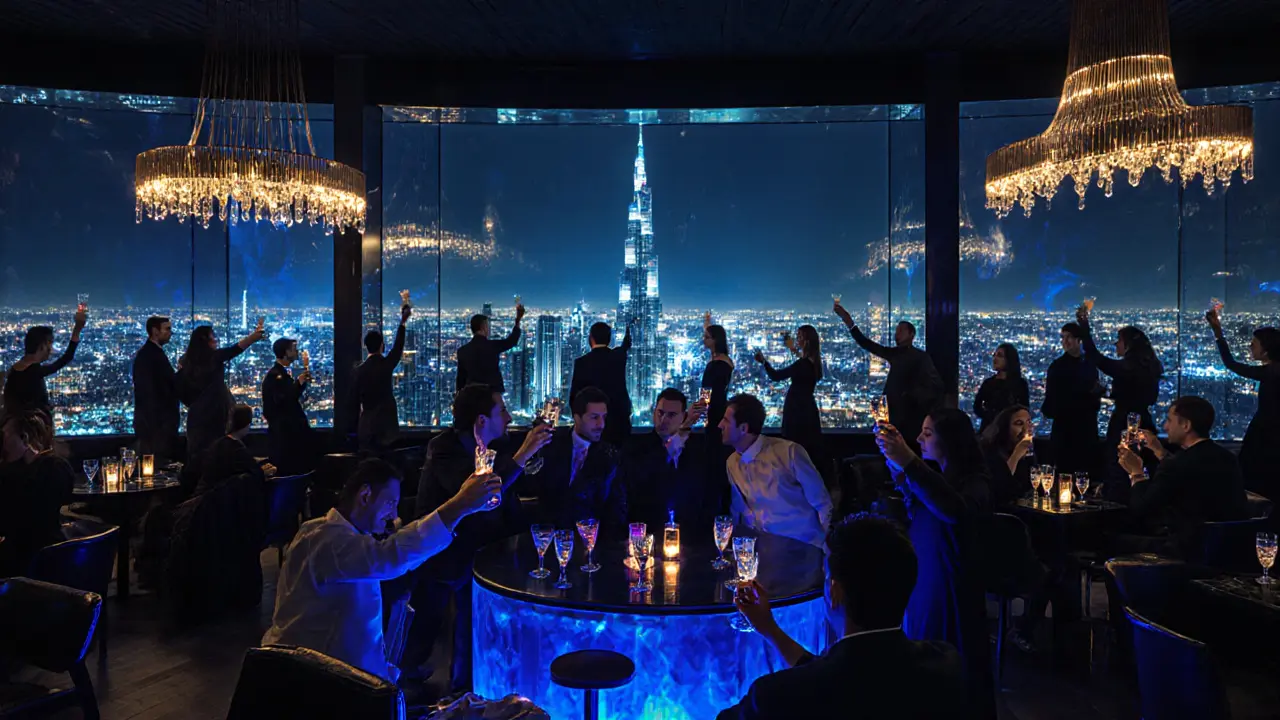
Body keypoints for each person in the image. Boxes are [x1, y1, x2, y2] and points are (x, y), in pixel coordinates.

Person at [262, 458, 502, 682]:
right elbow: (390, 557)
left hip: (322, 672)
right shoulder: (329, 541)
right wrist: (460, 505)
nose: (394, 514)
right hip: (318, 682)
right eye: (390, 503)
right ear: (365, 495)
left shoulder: (322, 531)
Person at [720, 514, 966, 720]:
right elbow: (841, 676)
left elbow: (821, 681)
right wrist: (769, 628)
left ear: (834, 591)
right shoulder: (945, 664)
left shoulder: (773, 696)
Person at [407, 384, 553, 693]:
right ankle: (411, 690)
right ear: (481, 421)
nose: (510, 417)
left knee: (479, 620)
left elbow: (508, 502)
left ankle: (469, 687)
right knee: (429, 628)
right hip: (445, 552)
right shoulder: (444, 448)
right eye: (502, 411)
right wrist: (524, 452)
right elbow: (477, 492)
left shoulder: (495, 450)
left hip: (483, 550)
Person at [876, 408, 995, 719]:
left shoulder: (975, 483)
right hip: (926, 584)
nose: (919, 439)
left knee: (949, 667)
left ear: (951, 441)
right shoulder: (941, 478)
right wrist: (897, 461)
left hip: (950, 592)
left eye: (927, 434)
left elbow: (953, 511)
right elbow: (918, 502)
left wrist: (909, 462)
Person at [1118, 396, 1250, 555]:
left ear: (1186, 425)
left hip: (1184, 551)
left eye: (1169, 420)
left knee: (1108, 539)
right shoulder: (1227, 458)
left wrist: (1136, 473)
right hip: (1227, 548)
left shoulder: (1176, 464)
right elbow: (1187, 472)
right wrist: (1160, 452)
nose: (1165, 426)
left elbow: (1141, 509)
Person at [720, 393, 833, 548]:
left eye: (726, 421)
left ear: (743, 428)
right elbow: (741, 511)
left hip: (804, 545)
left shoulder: (788, 452)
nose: (720, 425)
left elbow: (822, 502)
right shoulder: (732, 462)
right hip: (764, 548)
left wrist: (824, 549)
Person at [1076, 304, 1162, 503]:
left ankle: (1119, 509)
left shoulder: (1128, 367)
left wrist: (1084, 326)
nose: (1116, 345)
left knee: (1119, 466)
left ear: (1128, 345)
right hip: (1145, 422)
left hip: (1124, 422)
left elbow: (1097, 358)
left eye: (1119, 341)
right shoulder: (1150, 367)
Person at [833, 303, 943, 450]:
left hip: (908, 418)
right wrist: (849, 323)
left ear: (912, 335)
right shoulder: (899, 355)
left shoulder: (921, 358)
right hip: (897, 415)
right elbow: (868, 345)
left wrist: (910, 395)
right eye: (896, 331)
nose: (896, 334)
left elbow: (936, 386)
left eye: (901, 330)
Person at [526, 386, 627, 533]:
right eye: (594, 417)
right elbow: (534, 487)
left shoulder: (610, 456)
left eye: (603, 417)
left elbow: (617, 508)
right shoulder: (551, 445)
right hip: (549, 535)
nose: (601, 425)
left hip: (591, 538)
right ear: (577, 417)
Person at [1207, 308, 1280, 501]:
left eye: (1254, 344)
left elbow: (1231, 364)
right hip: (1270, 431)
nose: (1250, 347)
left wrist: (1218, 333)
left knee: (1253, 474)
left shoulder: (1271, 372)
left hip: (1266, 432)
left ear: (1266, 349)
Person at [625, 388, 716, 532]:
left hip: (691, 533)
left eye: (672, 415)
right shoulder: (636, 447)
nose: (664, 420)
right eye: (660, 413)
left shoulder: (699, 449)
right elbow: (644, 477)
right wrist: (686, 427)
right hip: (649, 531)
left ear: (683, 416)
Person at [177, 319, 267, 465]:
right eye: (213, 337)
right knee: (218, 452)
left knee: (199, 455)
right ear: (206, 340)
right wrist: (253, 337)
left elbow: (180, 389)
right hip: (216, 413)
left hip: (197, 416)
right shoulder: (214, 358)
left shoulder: (185, 362)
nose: (216, 340)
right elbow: (235, 349)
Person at [0, 410, 74, 577]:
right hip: (52, 556)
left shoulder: (50, 470)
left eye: (5, 436)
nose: (3, 443)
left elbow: (15, 521)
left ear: (24, 438)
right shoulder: (57, 467)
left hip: (27, 565)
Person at [753, 324, 826, 478]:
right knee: (805, 448)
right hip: (807, 408)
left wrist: (764, 362)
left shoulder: (803, 364)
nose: (797, 340)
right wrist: (792, 349)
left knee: (793, 445)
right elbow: (802, 364)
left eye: (799, 337)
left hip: (796, 409)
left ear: (806, 341)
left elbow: (776, 376)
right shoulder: (815, 363)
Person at [3, 305, 87, 417]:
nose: (51, 349)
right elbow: (66, 358)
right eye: (50, 343)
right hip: (32, 430)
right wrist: (77, 329)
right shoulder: (32, 371)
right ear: (42, 345)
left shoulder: (16, 369)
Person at [1041, 322, 1101, 474]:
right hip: (1069, 434)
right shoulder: (1059, 367)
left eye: (1069, 337)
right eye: (1063, 337)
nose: (1065, 341)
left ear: (1079, 340)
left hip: (1080, 432)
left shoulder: (1084, 365)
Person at [357, 303, 412, 454]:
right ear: (382, 346)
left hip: (366, 428)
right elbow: (397, 348)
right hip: (386, 429)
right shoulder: (385, 365)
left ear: (365, 346)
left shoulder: (358, 371)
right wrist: (402, 322)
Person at [569, 321, 633, 447]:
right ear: (609, 339)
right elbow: (625, 345)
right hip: (619, 423)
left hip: (591, 425)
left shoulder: (581, 363)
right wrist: (628, 328)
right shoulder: (619, 357)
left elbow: (574, 397)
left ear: (590, 339)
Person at [261, 338, 315, 475]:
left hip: (287, 436)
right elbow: (284, 401)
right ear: (286, 352)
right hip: (286, 438)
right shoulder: (276, 376)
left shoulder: (280, 374)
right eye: (293, 349)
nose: (297, 352)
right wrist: (298, 383)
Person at [194, 404, 272, 498]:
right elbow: (247, 478)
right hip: (220, 503)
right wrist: (263, 472)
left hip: (205, 501)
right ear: (246, 423)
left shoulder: (219, 444)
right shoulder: (237, 450)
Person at [132, 315, 179, 461]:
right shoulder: (150, 356)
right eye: (167, 329)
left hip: (155, 424)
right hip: (156, 426)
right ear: (155, 331)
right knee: (156, 464)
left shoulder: (150, 353)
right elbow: (148, 392)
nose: (170, 332)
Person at [701, 314, 734, 503]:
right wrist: (707, 324)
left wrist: (697, 413)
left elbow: (707, 393)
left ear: (715, 341)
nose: (704, 340)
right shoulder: (722, 360)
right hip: (719, 408)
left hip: (714, 411)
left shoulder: (717, 365)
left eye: (707, 337)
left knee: (714, 449)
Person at [455, 304, 525, 393]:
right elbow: (511, 341)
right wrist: (518, 320)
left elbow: (460, 380)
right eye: (488, 326)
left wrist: (459, 398)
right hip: (492, 397)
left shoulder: (462, 351)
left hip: (471, 398)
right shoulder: (492, 346)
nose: (489, 329)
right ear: (483, 327)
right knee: (499, 407)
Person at [980, 404, 1034, 507]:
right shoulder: (991, 453)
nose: (1026, 428)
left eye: (1029, 422)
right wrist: (1016, 455)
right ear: (1005, 428)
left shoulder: (1029, 454)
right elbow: (1000, 490)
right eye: (1019, 423)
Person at [972, 343, 1029, 433]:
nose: (995, 359)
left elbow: (1024, 408)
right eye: (994, 355)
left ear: (1009, 359)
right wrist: (990, 417)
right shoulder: (988, 383)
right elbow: (976, 407)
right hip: (989, 430)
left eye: (1000, 356)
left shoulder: (1020, 384)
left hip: (1010, 432)